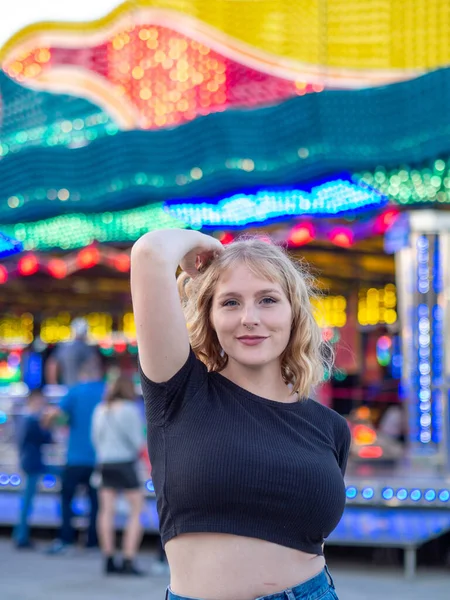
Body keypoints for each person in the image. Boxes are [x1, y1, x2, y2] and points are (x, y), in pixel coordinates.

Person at [131, 229, 351, 600]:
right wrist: (209, 249)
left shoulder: (331, 427)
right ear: (210, 316)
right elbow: (150, 252)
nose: (250, 318)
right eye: (230, 302)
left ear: (294, 313)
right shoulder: (180, 391)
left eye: (267, 300)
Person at [46, 361, 105, 554]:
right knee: (96, 503)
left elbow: (56, 416)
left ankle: (66, 538)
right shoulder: (105, 391)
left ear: (82, 374)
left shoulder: (74, 391)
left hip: (74, 458)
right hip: (99, 459)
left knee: (66, 499)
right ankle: (92, 540)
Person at [91, 373, 146, 575]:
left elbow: (95, 439)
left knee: (106, 511)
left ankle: (108, 558)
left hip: (105, 464)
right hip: (126, 464)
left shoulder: (100, 410)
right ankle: (128, 559)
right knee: (135, 512)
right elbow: (138, 441)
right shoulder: (130, 410)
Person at [13, 388, 57, 548]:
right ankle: (21, 537)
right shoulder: (30, 420)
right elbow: (45, 438)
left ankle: (20, 535)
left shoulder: (26, 419)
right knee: (26, 502)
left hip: (30, 462)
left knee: (26, 502)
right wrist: (47, 423)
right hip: (32, 464)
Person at [45, 318, 103, 387]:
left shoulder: (64, 347)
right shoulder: (87, 348)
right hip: (81, 389)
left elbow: (52, 365)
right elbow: (95, 367)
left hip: (67, 388)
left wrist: (54, 385)